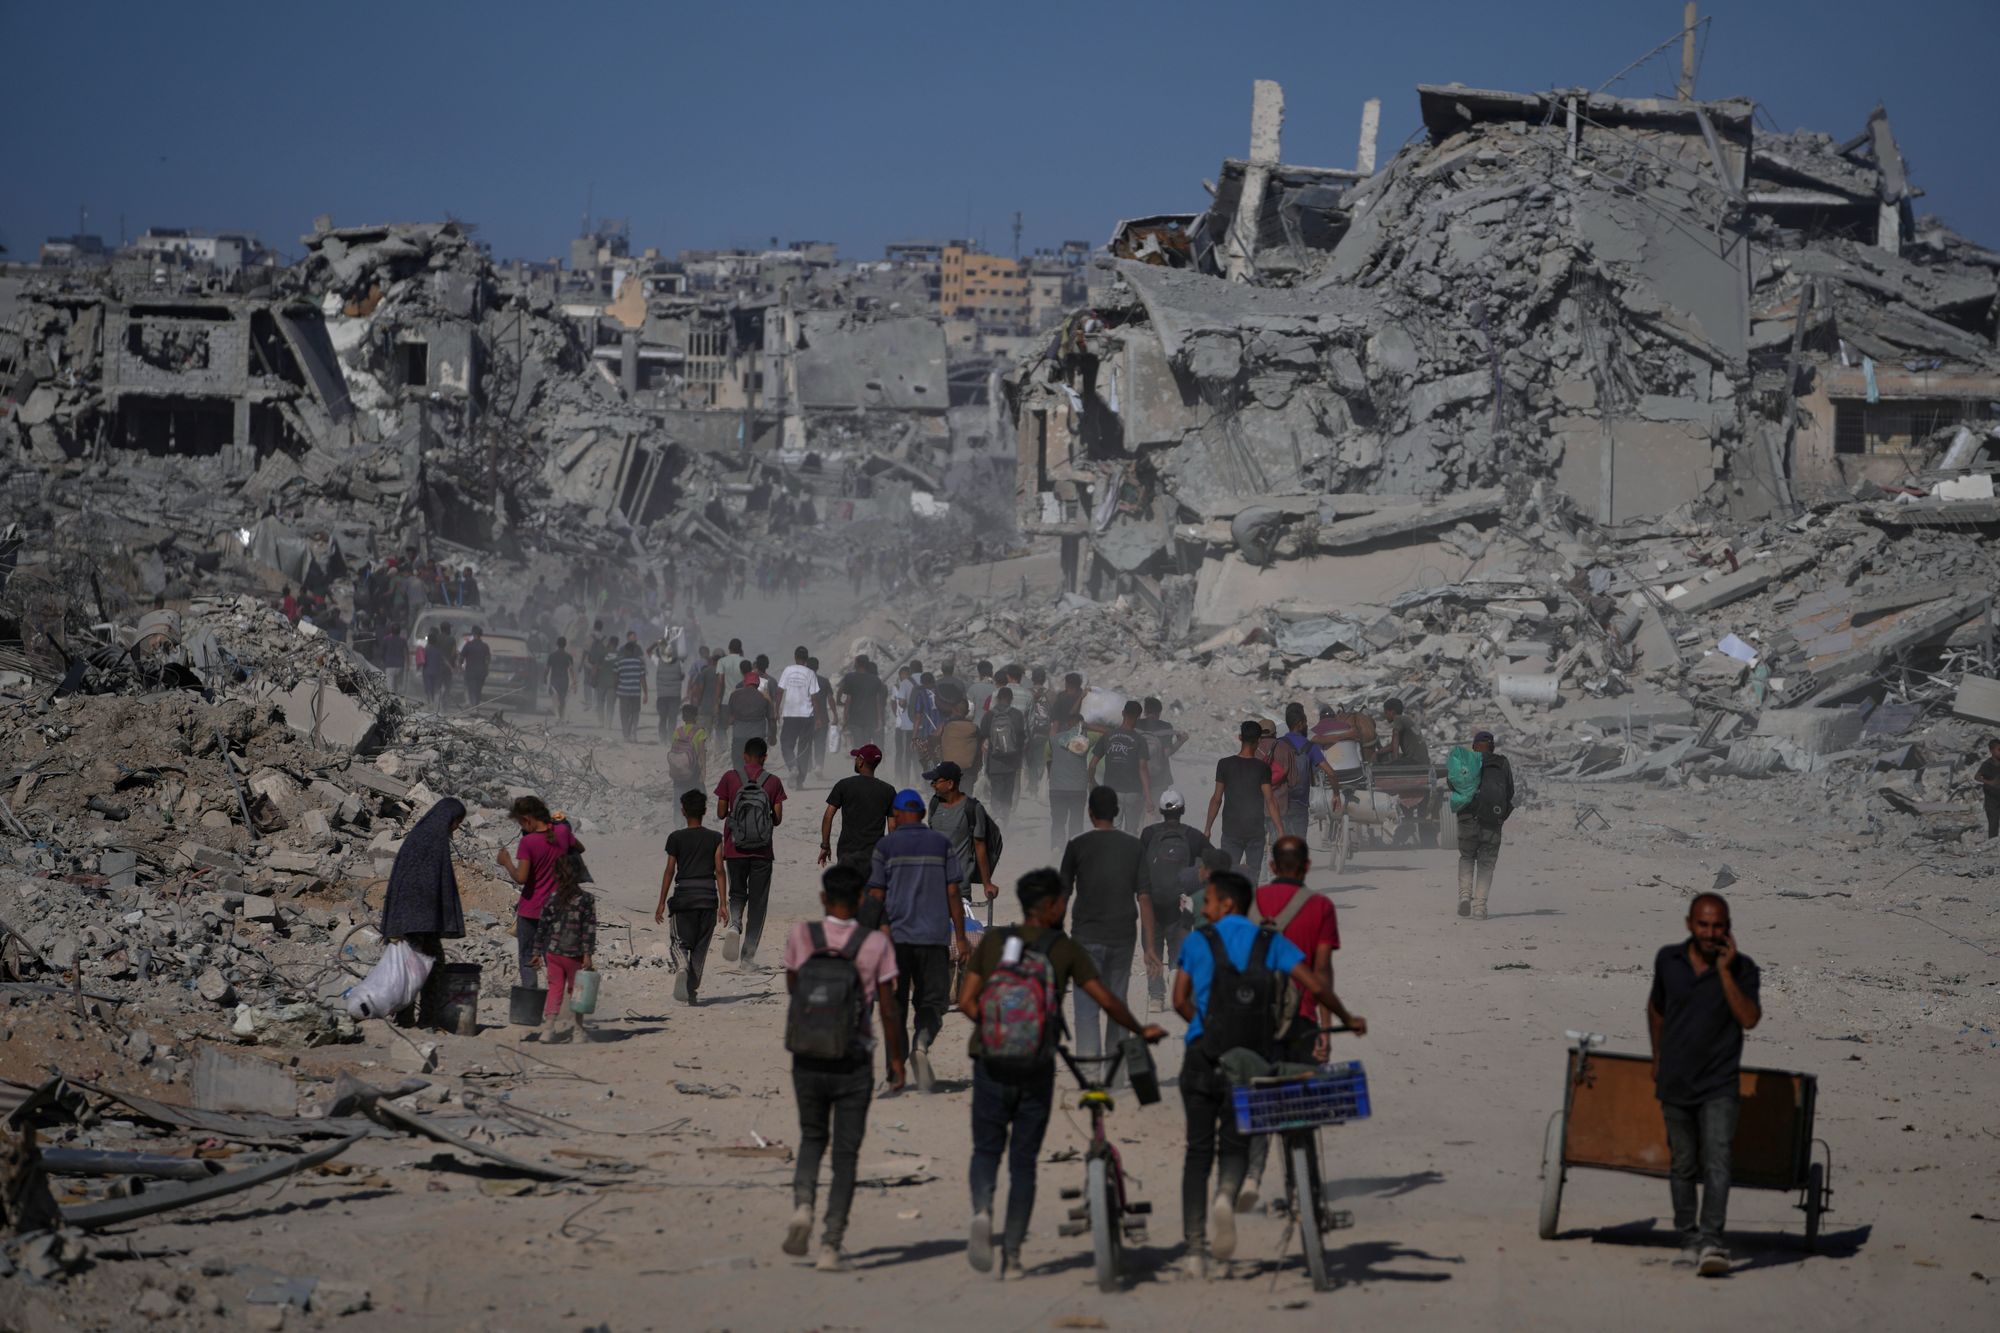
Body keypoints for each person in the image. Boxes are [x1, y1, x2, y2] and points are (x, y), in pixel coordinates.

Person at [957, 868, 1164, 1278]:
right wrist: (1141, 1030)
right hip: (1036, 1065)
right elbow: (1106, 999)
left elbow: (966, 1001)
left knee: (986, 1149)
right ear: (1050, 906)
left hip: (990, 1061)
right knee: (1024, 1162)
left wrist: (997, 1030)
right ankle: (1013, 1254)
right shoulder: (1063, 949)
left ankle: (982, 1209)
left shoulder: (997, 941)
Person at [1173, 871, 1364, 1274]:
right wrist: (1348, 1017)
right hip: (1251, 1063)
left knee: (1197, 1151)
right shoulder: (1270, 941)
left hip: (1203, 1058)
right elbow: (1314, 983)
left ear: (1226, 904)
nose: (1203, 907)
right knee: (1236, 1143)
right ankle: (1227, 1193)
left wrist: (1205, 1029)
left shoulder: (1198, 940)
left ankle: (1194, 1248)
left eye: (1208, 900)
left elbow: (1178, 1000)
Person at [783, 865, 904, 1273]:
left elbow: (794, 988)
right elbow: (887, 1008)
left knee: (812, 1137)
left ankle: (803, 1205)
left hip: (807, 1055)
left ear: (823, 899)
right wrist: (895, 1059)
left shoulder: (802, 935)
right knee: (847, 1154)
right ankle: (832, 1244)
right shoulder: (874, 944)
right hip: (853, 1058)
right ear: (860, 902)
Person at [1647, 893, 1761, 1276]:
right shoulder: (1668, 960)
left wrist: (1726, 972)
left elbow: (1748, 1019)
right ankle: (1689, 1238)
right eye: (1704, 925)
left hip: (1719, 1085)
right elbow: (1656, 1008)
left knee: (1717, 1163)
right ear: (1689, 925)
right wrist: (1657, 1057)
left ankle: (1712, 1240)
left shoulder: (1744, 969)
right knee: (1682, 1166)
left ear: (1728, 928)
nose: (1711, 933)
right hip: (1676, 1081)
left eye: (1719, 926)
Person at [1237, 835, 1342, 1209]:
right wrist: (1325, 1030)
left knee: (1262, 1096)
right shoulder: (1320, 907)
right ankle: (1306, 1190)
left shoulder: (1249, 905)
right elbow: (1322, 973)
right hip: (1302, 1019)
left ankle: (1253, 1174)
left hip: (1257, 1021)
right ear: (1307, 867)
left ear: (1272, 864)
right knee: (1303, 1109)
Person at [864, 789, 969, 1094]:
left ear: (896, 815)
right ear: (922, 814)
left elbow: (876, 895)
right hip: (934, 937)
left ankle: (895, 1073)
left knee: (893, 1006)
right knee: (932, 1000)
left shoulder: (885, 846)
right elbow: (953, 893)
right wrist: (960, 938)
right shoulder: (941, 844)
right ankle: (921, 1042)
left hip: (894, 939)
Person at [1059, 786, 1154, 1069]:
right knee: (1117, 1002)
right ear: (1117, 812)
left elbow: (1063, 894)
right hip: (1123, 936)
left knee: (1086, 1006)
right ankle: (1115, 1070)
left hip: (1085, 936)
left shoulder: (1077, 845)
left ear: (1090, 813)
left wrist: (1052, 934)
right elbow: (1145, 897)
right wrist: (1150, 946)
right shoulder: (1134, 846)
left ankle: (1089, 1068)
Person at [377, 797, 466, 1028]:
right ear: (451, 819)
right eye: (457, 822)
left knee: (422, 966)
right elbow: (429, 882)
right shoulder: (434, 837)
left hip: (414, 917)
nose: (456, 828)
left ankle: (419, 1018)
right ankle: (418, 1019)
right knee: (420, 968)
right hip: (418, 919)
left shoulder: (422, 833)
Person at [1138, 789, 1213, 1009]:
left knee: (1152, 943)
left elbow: (1139, 864)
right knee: (1177, 943)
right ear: (1183, 810)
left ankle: (1155, 996)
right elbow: (1212, 860)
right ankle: (1175, 975)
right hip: (1180, 900)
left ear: (1161, 811)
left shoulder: (1148, 834)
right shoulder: (1194, 836)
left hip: (1151, 900)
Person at [717, 736, 787, 968]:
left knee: (737, 892)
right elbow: (777, 820)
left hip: (734, 848)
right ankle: (747, 957)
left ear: (744, 756)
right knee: (758, 902)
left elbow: (720, 813)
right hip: (762, 851)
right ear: (765, 757)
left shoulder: (730, 777)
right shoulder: (774, 781)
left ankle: (735, 924)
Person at [494, 795, 577, 990]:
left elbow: (521, 878)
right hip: (557, 908)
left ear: (527, 819)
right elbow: (579, 847)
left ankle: (531, 1000)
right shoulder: (563, 832)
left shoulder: (529, 842)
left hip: (531, 909)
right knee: (553, 957)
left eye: (521, 824)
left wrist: (506, 862)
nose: (521, 829)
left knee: (528, 956)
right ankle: (558, 1000)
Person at [655, 788, 726, 1006]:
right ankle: (692, 992)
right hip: (708, 900)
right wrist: (723, 904)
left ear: (684, 812)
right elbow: (720, 871)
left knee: (679, 943)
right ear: (704, 811)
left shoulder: (676, 838)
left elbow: (670, 871)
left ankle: (681, 968)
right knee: (700, 949)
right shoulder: (715, 837)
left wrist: (660, 903)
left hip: (684, 899)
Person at [530, 848, 597, 1043]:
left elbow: (542, 927)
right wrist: (588, 954)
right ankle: (577, 1031)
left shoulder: (552, 899)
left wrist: (536, 952)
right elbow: (589, 930)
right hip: (575, 954)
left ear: (556, 874)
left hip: (553, 953)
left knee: (554, 988)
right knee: (577, 992)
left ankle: (548, 1029)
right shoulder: (586, 899)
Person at [1206, 720, 1285, 877]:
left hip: (1231, 831)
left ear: (1240, 737)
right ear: (1258, 741)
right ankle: (1251, 900)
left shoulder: (1224, 764)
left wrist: (1207, 828)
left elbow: (1216, 799)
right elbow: (1270, 800)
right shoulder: (1262, 768)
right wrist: (1280, 830)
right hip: (1254, 831)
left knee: (1228, 875)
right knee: (1253, 874)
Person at [1457, 729, 1514, 921]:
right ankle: (1480, 907)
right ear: (1493, 748)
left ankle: (1465, 895)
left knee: (1466, 857)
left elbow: (1453, 785)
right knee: (1486, 864)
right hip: (1492, 821)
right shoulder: (1502, 763)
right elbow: (1509, 792)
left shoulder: (1465, 761)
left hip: (1467, 819)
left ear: (1473, 747)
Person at [922, 760, 995, 907]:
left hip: (959, 888)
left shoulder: (972, 808)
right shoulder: (934, 804)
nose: (933, 785)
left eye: (936, 781)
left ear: (950, 784)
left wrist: (987, 884)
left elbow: (980, 847)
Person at [821, 744, 896, 873]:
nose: (855, 761)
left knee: (848, 890)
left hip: (847, 853)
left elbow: (828, 816)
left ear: (861, 761)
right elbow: (892, 827)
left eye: (856, 758)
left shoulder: (844, 785)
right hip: (875, 855)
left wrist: (825, 845)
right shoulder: (888, 790)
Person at [1273, 703, 1339, 840]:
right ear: (1299, 724)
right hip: (1300, 804)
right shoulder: (1310, 747)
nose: (1307, 726)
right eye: (1305, 723)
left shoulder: (1277, 745)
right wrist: (1336, 794)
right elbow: (1331, 773)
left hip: (1279, 802)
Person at [1087, 701, 1153, 833]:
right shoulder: (1140, 740)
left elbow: (1092, 764)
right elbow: (1143, 769)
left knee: (1111, 831)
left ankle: (1112, 853)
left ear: (1123, 713)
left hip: (1112, 792)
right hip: (1134, 792)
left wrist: (1092, 782)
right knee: (1131, 832)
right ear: (1138, 717)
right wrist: (1149, 797)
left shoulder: (1108, 736)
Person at [979, 685, 1028, 823]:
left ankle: (996, 815)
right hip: (1012, 760)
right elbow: (1022, 736)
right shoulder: (1017, 714)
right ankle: (1005, 817)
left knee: (996, 788)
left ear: (998, 698)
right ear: (1011, 699)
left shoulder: (990, 715)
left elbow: (983, 734)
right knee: (1008, 789)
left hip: (994, 759)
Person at [1047, 720, 1090, 853]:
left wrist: (1055, 725)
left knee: (1058, 820)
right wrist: (1088, 726)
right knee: (1076, 821)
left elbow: (1048, 756)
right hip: (1078, 789)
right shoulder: (1086, 740)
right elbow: (1108, 733)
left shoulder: (1054, 739)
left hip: (1057, 788)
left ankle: (1057, 846)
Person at [1135, 696, 1187, 804]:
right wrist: (1180, 742)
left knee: (1137, 811)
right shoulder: (1166, 726)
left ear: (1145, 711)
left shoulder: (1136, 724)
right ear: (1159, 712)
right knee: (1155, 811)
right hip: (1159, 777)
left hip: (1137, 775)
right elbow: (1166, 753)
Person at [837, 656, 888, 754]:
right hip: (870, 718)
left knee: (858, 744)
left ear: (856, 664)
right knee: (867, 744)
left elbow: (849, 699)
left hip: (855, 719)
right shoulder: (875, 680)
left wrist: (845, 718)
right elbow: (877, 701)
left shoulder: (850, 678)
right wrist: (879, 719)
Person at [727, 660, 774, 758]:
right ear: (757, 684)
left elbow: (730, 719)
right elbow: (771, 719)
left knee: (739, 763)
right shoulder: (764, 697)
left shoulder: (734, 695)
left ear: (745, 683)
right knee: (756, 765)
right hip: (758, 737)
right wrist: (772, 735)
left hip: (739, 737)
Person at [936, 697, 983, 790]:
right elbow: (979, 749)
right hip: (968, 769)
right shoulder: (974, 727)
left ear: (953, 710)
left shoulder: (946, 725)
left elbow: (936, 740)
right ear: (968, 711)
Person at [1022, 667, 1051, 801]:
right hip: (1045, 733)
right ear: (1044, 679)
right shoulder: (1051, 694)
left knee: (1031, 760)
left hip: (1030, 732)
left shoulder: (1026, 693)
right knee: (1041, 759)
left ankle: (1033, 786)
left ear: (1032, 678)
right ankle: (1039, 784)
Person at [615, 633, 649, 743]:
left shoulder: (620, 662)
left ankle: (626, 735)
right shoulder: (639, 663)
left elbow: (616, 677)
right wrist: (645, 693)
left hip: (623, 692)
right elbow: (642, 678)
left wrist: (616, 690)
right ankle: (633, 733)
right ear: (634, 651)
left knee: (624, 714)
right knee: (635, 713)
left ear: (625, 651)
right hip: (635, 692)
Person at [653, 638, 686, 743]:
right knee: (672, 718)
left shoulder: (658, 661)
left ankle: (663, 738)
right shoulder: (680, 663)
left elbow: (649, 652)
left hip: (662, 695)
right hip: (675, 695)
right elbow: (682, 676)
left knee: (662, 718)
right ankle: (670, 737)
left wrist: (657, 643)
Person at [1381, 697, 1429, 766]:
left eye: (1386, 712)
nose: (1385, 716)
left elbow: (1395, 739)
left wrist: (1395, 761)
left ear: (1392, 712)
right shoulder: (1406, 719)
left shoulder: (1398, 718)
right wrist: (1378, 752)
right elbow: (1392, 745)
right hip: (1424, 760)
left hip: (1415, 761)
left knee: (1383, 765)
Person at [890, 664, 917, 782]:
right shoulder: (896, 687)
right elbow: (893, 703)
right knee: (900, 751)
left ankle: (910, 777)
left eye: (906, 675)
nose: (904, 677)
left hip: (910, 725)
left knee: (910, 752)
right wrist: (897, 715)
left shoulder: (911, 687)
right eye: (902, 675)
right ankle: (898, 775)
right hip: (899, 725)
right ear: (900, 676)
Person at [459, 626, 492, 708]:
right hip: (481, 672)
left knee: (471, 688)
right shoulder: (485, 646)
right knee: (478, 689)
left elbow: (461, 657)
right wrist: (487, 669)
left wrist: (460, 666)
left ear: (473, 634)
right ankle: (476, 705)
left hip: (470, 671)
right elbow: (487, 659)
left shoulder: (468, 645)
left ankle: (473, 705)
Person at [545, 635, 575, 722]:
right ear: (565, 644)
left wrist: (544, 677)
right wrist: (574, 681)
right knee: (562, 700)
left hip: (554, 680)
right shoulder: (568, 656)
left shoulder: (552, 656)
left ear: (557, 644)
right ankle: (561, 717)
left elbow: (547, 669)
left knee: (555, 699)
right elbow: (571, 670)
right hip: (564, 681)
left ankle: (558, 716)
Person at [1977, 736, 2000, 838]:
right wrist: (1989, 782)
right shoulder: (1987, 764)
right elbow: (1977, 776)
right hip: (1992, 801)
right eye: (1999, 750)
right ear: (1991, 750)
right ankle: (1992, 844)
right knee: (1993, 823)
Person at [381, 622, 409, 697]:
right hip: (400, 666)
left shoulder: (386, 639)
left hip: (389, 665)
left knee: (390, 687)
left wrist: (383, 661)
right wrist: (407, 665)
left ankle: (393, 701)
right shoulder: (403, 640)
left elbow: (383, 652)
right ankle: (399, 699)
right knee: (398, 686)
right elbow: (406, 653)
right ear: (399, 631)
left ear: (391, 630)